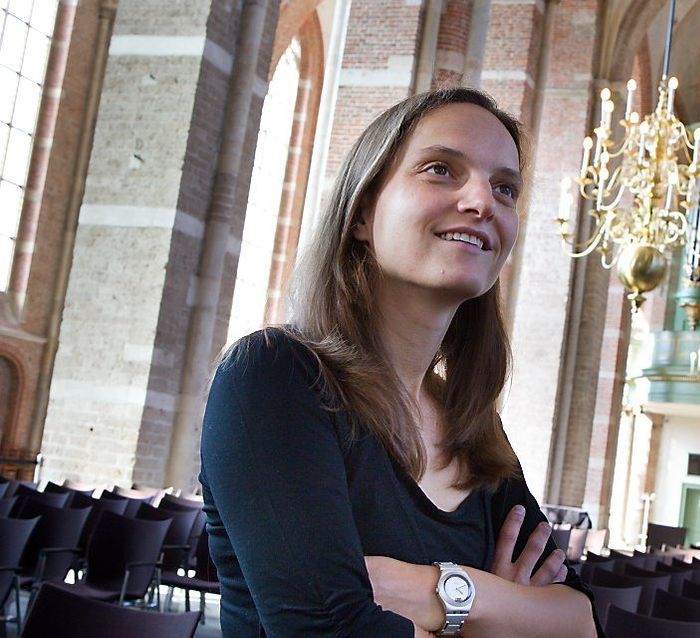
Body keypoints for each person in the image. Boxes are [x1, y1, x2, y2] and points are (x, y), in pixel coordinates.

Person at [199, 87, 601, 637]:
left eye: (505, 188)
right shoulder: (273, 375)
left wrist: (447, 593)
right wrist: (504, 614)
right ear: (363, 212)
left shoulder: (475, 429)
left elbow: (580, 620)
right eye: (441, 169)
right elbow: (330, 632)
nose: (483, 202)